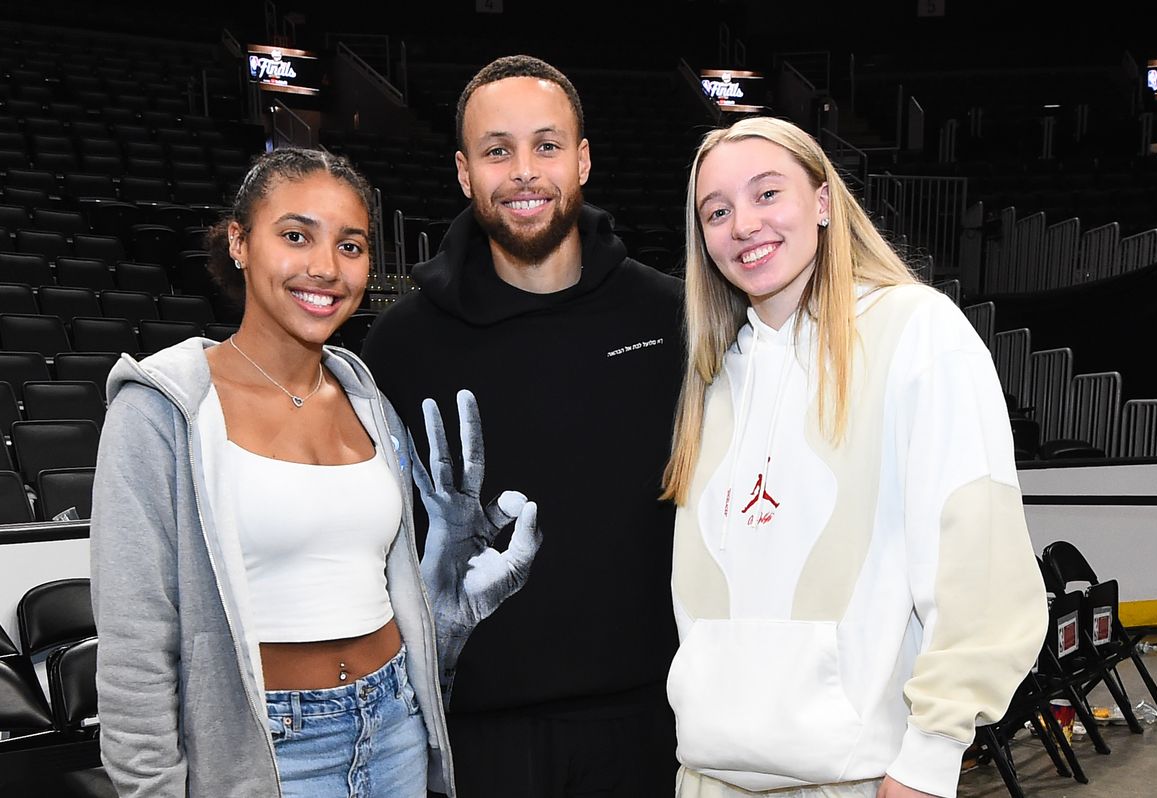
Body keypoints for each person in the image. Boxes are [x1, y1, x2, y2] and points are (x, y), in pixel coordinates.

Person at [90, 147, 539, 798]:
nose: (325, 268)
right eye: (296, 236)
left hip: (394, 728)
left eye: (351, 246)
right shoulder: (160, 411)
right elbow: (135, 650)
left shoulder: (370, 402)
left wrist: (444, 590)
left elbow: (384, 588)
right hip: (269, 753)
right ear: (240, 242)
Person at [660, 116, 1048, 798]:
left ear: (822, 201)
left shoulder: (916, 331)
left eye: (767, 193)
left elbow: (978, 562)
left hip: (860, 781)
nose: (743, 224)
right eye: (716, 211)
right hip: (709, 778)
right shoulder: (714, 376)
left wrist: (930, 755)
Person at [361, 55, 684, 797]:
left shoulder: (671, 317)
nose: (525, 171)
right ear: (464, 172)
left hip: (647, 725)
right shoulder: (401, 344)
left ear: (584, 159)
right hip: (476, 736)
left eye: (546, 145)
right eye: (497, 150)